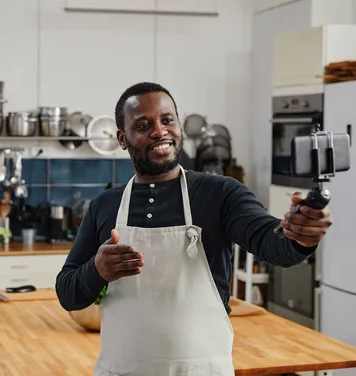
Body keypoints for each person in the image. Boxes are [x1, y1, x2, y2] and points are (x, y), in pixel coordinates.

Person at [55, 82, 332, 376]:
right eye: (143, 124)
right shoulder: (105, 205)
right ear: (123, 138)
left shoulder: (221, 193)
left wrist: (300, 234)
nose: (159, 131)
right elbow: (68, 293)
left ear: (179, 126)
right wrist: (97, 270)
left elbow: (274, 245)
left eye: (167, 119)